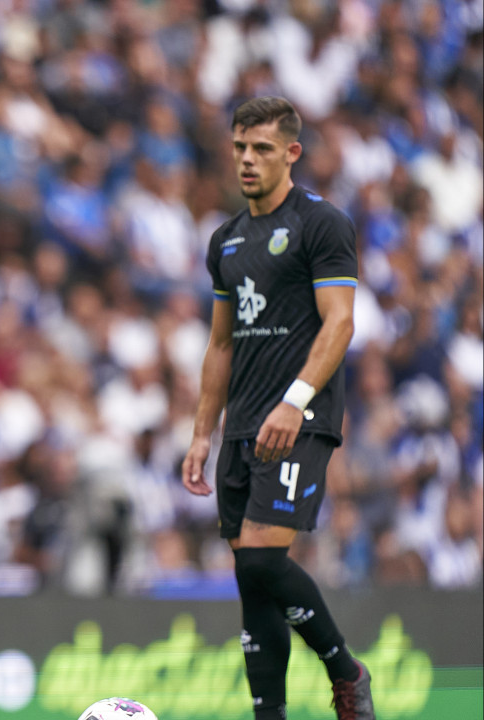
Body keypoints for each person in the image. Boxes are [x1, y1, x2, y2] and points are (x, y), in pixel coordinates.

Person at [182, 97, 375, 720]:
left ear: (291, 153)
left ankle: (345, 670)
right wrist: (200, 434)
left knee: (264, 559)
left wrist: (294, 402)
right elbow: (219, 344)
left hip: (300, 418)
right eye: (240, 146)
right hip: (241, 424)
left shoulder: (323, 224)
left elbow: (340, 324)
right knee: (251, 579)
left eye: (261, 148)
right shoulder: (227, 240)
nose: (246, 159)